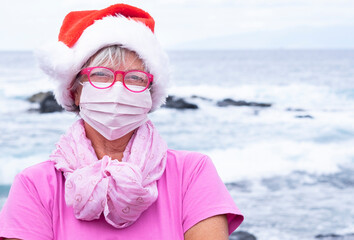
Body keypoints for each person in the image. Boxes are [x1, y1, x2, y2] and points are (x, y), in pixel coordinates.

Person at [0, 4, 243, 240]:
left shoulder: (192, 173)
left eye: (135, 78)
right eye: (101, 75)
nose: (117, 89)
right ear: (74, 91)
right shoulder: (35, 185)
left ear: (150, 94)